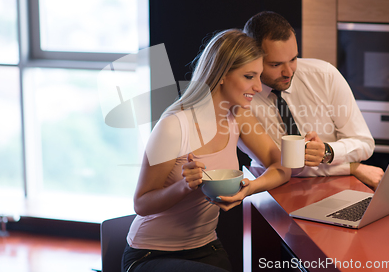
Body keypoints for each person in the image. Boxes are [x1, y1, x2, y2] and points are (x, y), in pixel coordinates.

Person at [122, 29, 291, 272]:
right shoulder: (174, 126)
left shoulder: (238, 116)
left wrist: (249, 189)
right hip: (150, 253)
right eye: (249, 76)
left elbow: (282, 167)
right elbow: (142, 204)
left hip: (206, 246)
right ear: (221, 74)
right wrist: (183, 185)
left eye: (259, 76)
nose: (257, 86)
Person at [239, 11, 384, 189]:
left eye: (293, 59)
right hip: (271, 191)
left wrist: (328, 152)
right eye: (275, 65)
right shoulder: (239, 95)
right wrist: (352, 167)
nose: (288, 72)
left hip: (332, 187)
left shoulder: (325, 75)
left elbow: (365, 144)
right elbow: (287, 168)